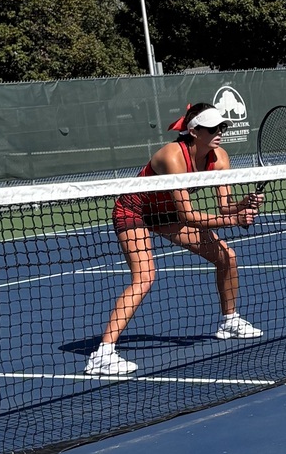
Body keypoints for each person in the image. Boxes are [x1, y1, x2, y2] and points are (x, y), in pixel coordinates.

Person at [85, 102, 264, 376]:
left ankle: (229, 321)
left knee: (227, 257)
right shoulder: (173, 157)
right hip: (134, 211)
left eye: (222, 127)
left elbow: (225, 207)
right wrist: (234, 220)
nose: (219, 132)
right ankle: (103, 354)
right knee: (144, 277)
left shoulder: (220, 158)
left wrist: (243, 204)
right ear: (194, 131)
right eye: (212, 128)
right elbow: (188, 216)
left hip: (166, 213)